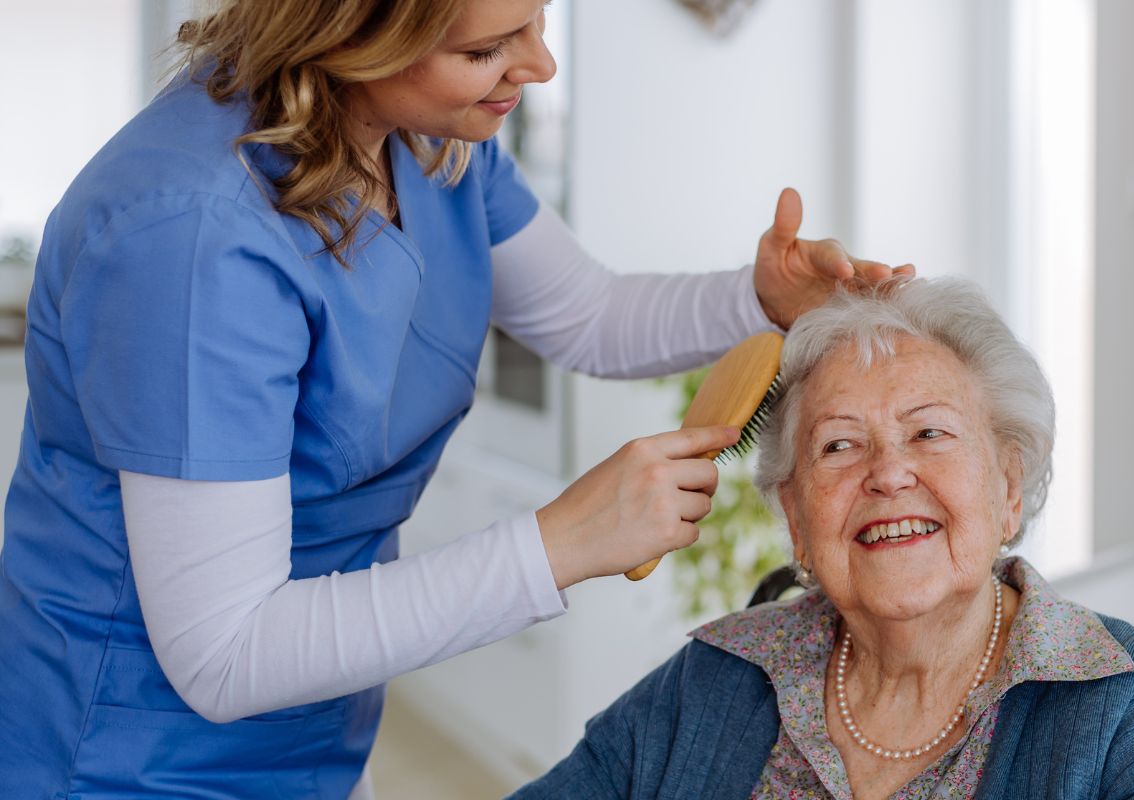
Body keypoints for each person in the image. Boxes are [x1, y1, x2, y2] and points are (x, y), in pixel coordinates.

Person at [0, 0, 914, 797]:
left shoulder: (426, 135)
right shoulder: (191, 237)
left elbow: (589, 315)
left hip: (316, 729)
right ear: (353, 30)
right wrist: (560, 544)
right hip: (128, 758)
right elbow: (225, 651)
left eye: (539, 18)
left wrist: (759, 302)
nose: (540, 64)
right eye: (487, 48)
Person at [511, 277, 1134, 800]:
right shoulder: (717, 676)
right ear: (796, 520)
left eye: (930, 432)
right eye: (839, 445)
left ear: (1009, 487)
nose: (889, 473)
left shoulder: (1128, 706)